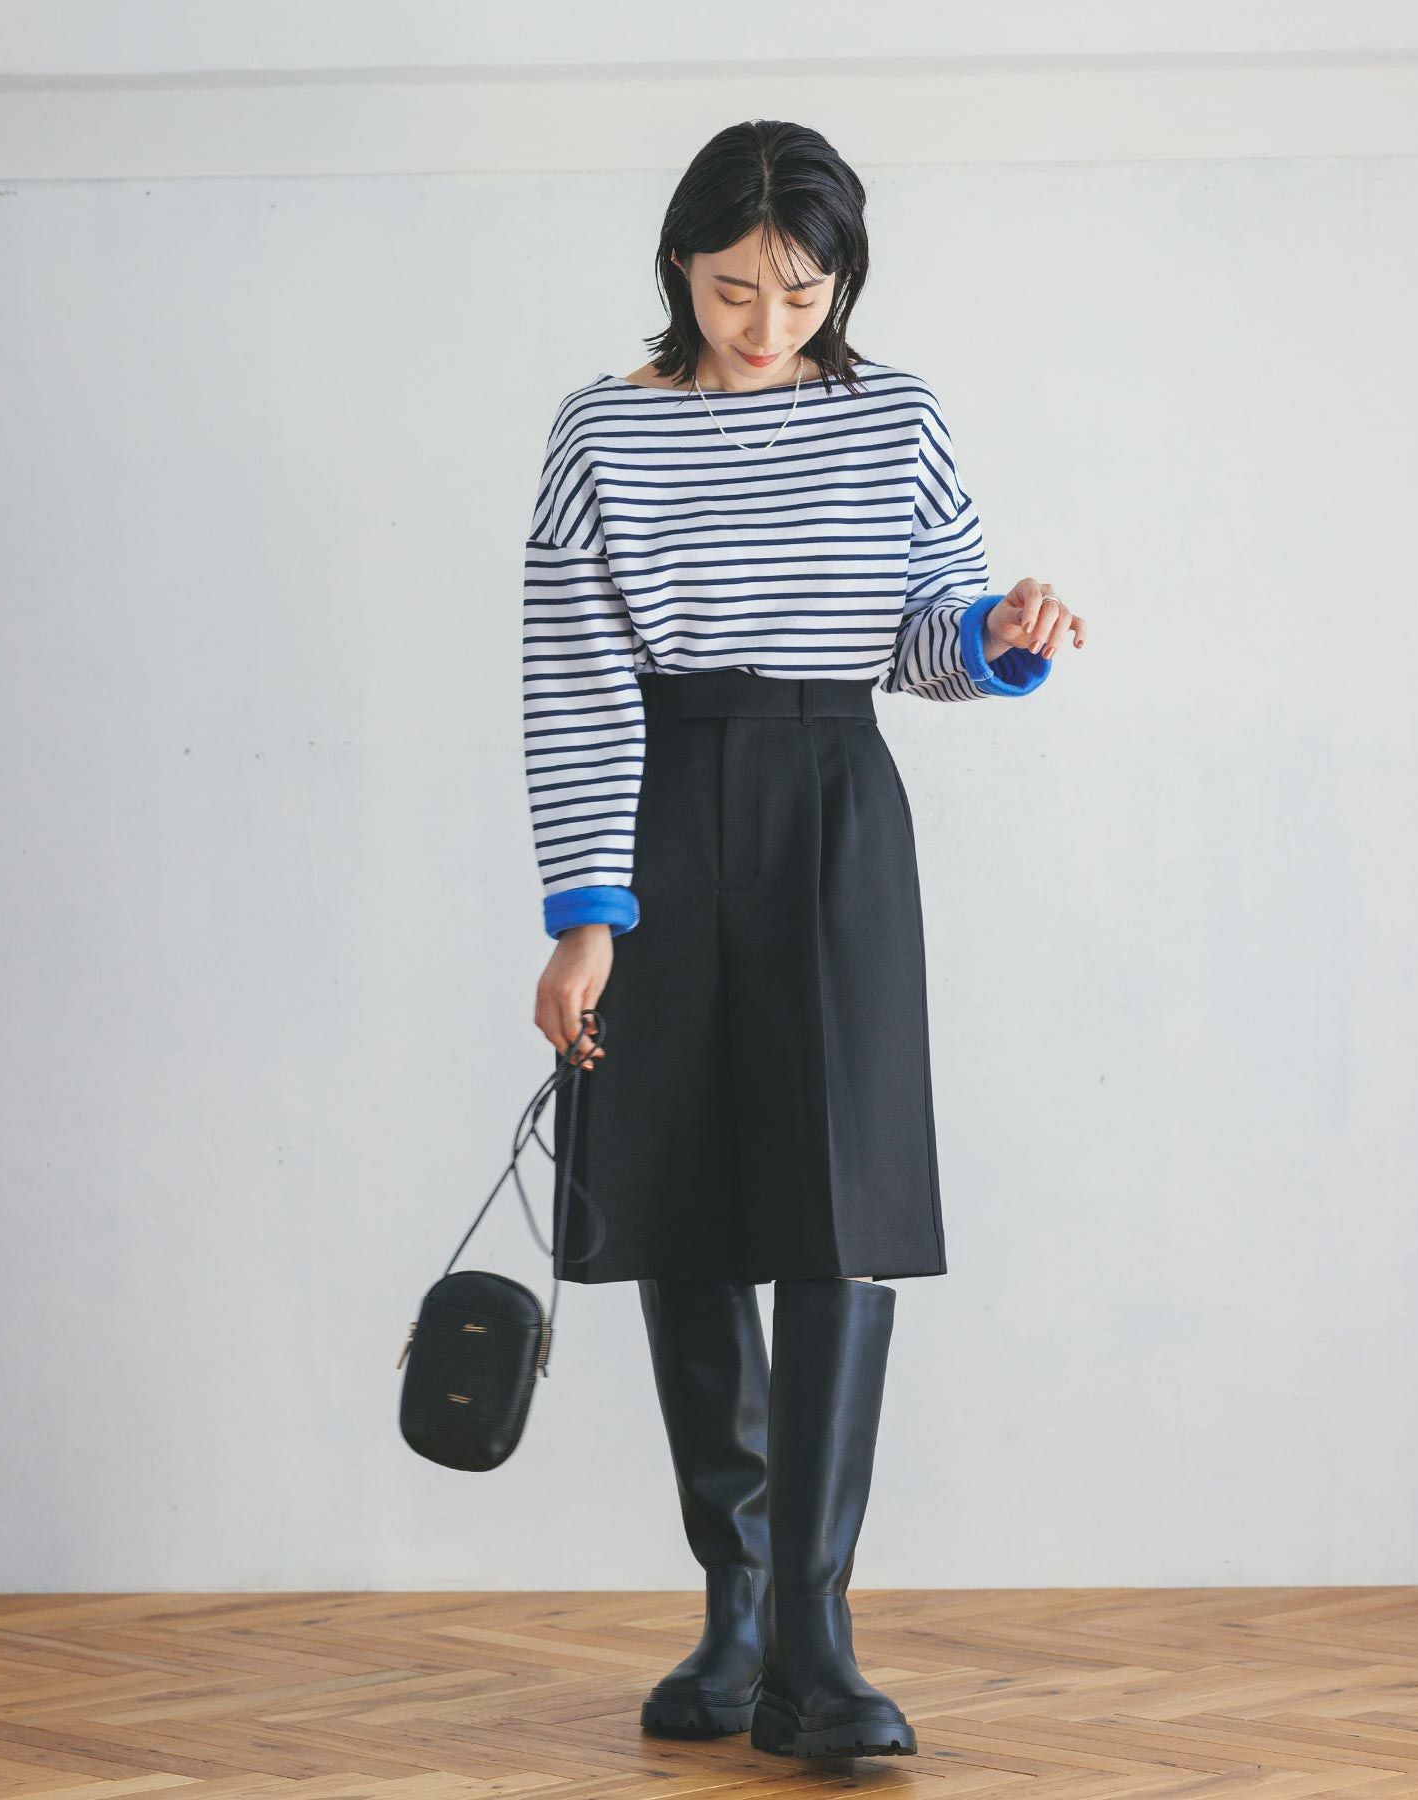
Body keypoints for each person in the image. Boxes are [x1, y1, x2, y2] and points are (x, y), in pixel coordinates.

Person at [520, 118, 1084, 1761]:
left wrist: (1000, 634)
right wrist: (584, 920)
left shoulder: (896, 416)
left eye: (802, 292)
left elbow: (923, 633)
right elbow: (574, 679)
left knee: (842, 1212)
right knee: (685, 1211)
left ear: (843, 281)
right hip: (662, 808)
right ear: (678, 268)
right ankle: (739, 1611)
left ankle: (814, 1643)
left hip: (838, 806)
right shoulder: (603, 431)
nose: (767, 324)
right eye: (733, 290)